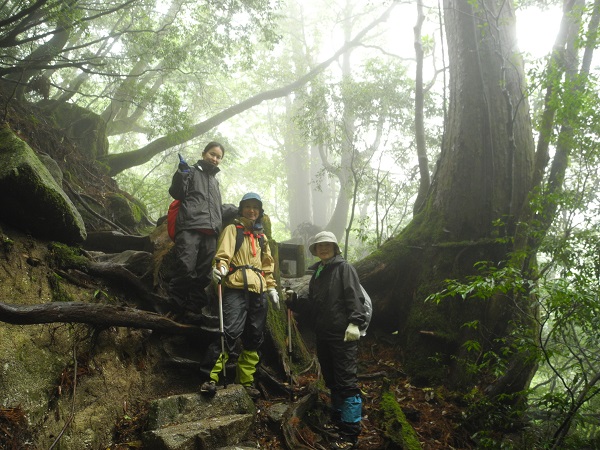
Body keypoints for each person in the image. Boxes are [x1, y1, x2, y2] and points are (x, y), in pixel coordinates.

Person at [285, 231, 366, 450]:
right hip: (324, 334)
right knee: (331, 380)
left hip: (343, 334)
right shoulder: (319, 273)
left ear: (334, 247)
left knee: (347, 381)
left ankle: (350, 434)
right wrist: (295, 302)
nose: (323, 248)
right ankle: (339, 420)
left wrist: (355, 323)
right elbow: (314, 306)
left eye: (327, 245)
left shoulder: (344, 268)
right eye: (319, 246)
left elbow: (354, 296)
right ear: (316, 250)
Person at [200, 192, 279, 399]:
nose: (252, 210)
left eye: (256, 207)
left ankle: (246, 381)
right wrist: (221, 269)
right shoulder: (233, 230)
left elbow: (267, 265)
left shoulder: (262, 238)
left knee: (254, 337)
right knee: (229, 332)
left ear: (260, 212)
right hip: (235, 286)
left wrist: (271, 288)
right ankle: (210, 378)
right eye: (248, 207)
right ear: (241, 209)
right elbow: (223, 255)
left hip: (259, 291)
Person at [167, 141, 236, 322]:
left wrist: (239, 208)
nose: (214, 159)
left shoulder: (214, 182)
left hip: (210, 232)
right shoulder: (190, 172)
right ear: (204, 153)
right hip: (190, 226)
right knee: (185, 266)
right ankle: (175, 308)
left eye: (218, 157)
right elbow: (177, 192)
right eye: (212, 154)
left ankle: (193, 309)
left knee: (204, 273)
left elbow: (216, 208)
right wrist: (181, 173)